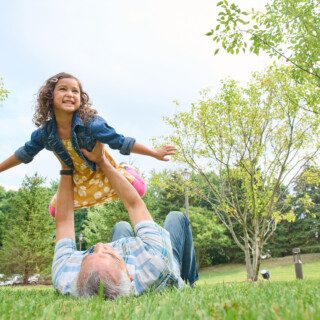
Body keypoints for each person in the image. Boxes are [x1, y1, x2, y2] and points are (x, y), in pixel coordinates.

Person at [0, 72, 176, 216]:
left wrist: (154, 153)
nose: (70, 94)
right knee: (55, 211)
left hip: (101, 173)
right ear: (49, 97)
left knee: (138, 189)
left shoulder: (91, 124)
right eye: (63, 89)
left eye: (75, 91)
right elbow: (24, 153)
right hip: (77, 180)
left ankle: (126, 170)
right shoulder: (46, 133)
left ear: (81, 99)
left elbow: (121, 141)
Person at [52, 142, 198, 299]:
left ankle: (105, 257)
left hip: (125, 259)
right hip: (166, 269)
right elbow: (134, 205)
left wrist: (66, 167)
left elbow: (63, 221)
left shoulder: (65, 276)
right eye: (109, 253)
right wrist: (102, 161)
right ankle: (189, 282)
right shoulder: (155, 263)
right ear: (129, 275)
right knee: (176, 217)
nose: (100, 245)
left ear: (77, 283)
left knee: (121, 226)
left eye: (89, 255)